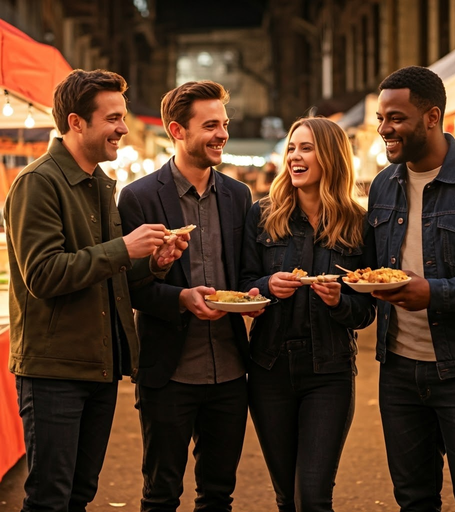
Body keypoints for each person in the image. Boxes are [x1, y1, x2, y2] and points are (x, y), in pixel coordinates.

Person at [3, 69, 186, 511]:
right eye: (113, 118)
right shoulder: (38, 182)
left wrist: (152, 264)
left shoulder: (101, 184)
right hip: (54, 372)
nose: (123, 128)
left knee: (80, 495)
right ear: (77, 122)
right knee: (50, 497)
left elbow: (107, 278)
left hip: (98, 367)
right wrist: (123, 247)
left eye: (122, 117)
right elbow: (44, 274)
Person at [368, 65, 455, 511]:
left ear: (432, 117)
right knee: (413, 498)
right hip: (398, 373)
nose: (384, 129)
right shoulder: (381, 187)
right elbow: (374, 271)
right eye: (380, 118)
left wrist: (435, 293)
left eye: (395, 118)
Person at [117, 80, 256, 512]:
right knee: (161, 495)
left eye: (225, 124)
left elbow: (247, 272)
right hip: (168, 372)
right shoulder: (138, 197)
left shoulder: (238, 195)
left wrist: (254, 292)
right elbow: (130, 288)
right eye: (210, 125)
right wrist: (179, 297)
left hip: (231, 372)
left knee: (218, 495)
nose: (222, 134)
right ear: (178, 131)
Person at [239, 117, 376, 511]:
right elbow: (245, 282)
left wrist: (339, 301)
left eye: (306, 148)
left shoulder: (358, 222)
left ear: (331, 157)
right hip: (269, 369)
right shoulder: (262, 215)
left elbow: (367, 311)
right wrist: (267, 287)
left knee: (314, 498)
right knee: (286, 498)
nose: (295, 157)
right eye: (292, 149)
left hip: (329, 372)